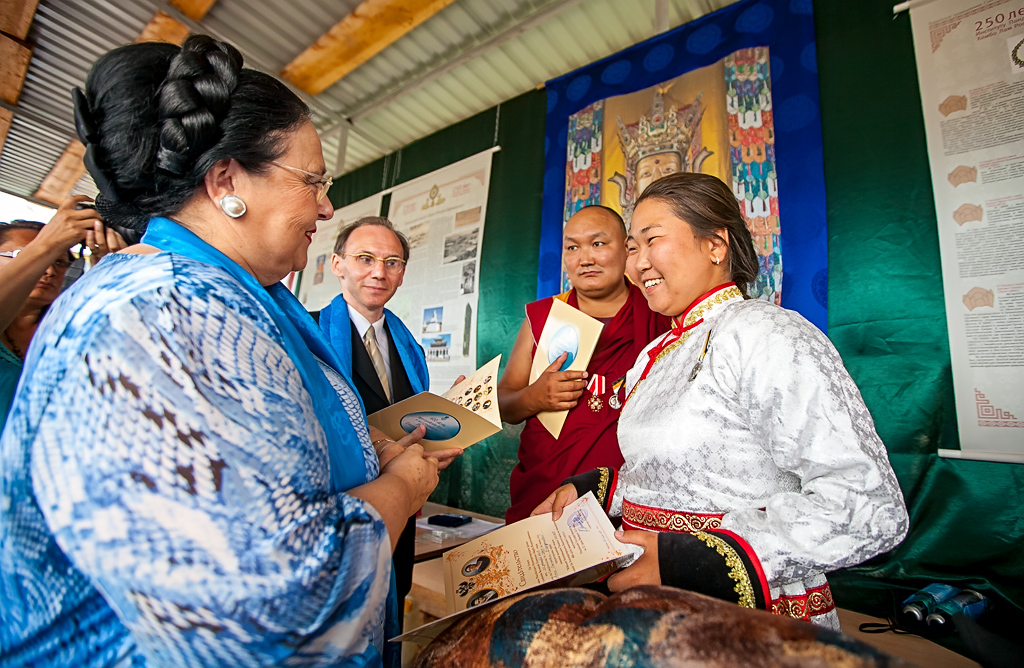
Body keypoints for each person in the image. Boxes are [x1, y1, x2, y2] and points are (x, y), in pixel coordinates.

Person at [0, 36, 440, 667]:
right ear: (228, 180)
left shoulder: (239, 298)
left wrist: (371, 453)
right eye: (312, 180)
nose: (325, 204)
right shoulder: (166, 311)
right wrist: (399, 487)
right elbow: (275, 605)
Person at [535, 173, 908, 629]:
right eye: (632, 248)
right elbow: (685, 473)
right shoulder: (658, 352)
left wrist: (693, 561)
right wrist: (594, 487)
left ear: (715, 244)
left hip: (744, 621)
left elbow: (868, 506)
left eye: (653, 240)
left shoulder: (765, 333)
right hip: (655, 609)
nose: (637, 265)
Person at [318, 216, 461, 608]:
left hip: (402, 512)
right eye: (365, 258)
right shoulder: (310, 334)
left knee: (394, 602)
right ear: (338, 264)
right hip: (343, 512)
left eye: (392, 263)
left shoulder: (409, 347)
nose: (378, 272)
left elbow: (410, 423)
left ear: (401, 274)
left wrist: (440, 433)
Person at [498, 205, 670, 523]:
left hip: (632, 495)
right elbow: (505, 403)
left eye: (598, 244)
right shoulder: (545, 317)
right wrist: (533, 397)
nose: (585, 258)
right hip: (546, 492)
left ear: (628, 249)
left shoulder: (659, 314)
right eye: (572, 247)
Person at [0, 198, 124, 433]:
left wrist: (109, 274)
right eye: (19, 254)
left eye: (59, 262)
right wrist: (47, 245)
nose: (48, 270)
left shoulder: (67, 326)